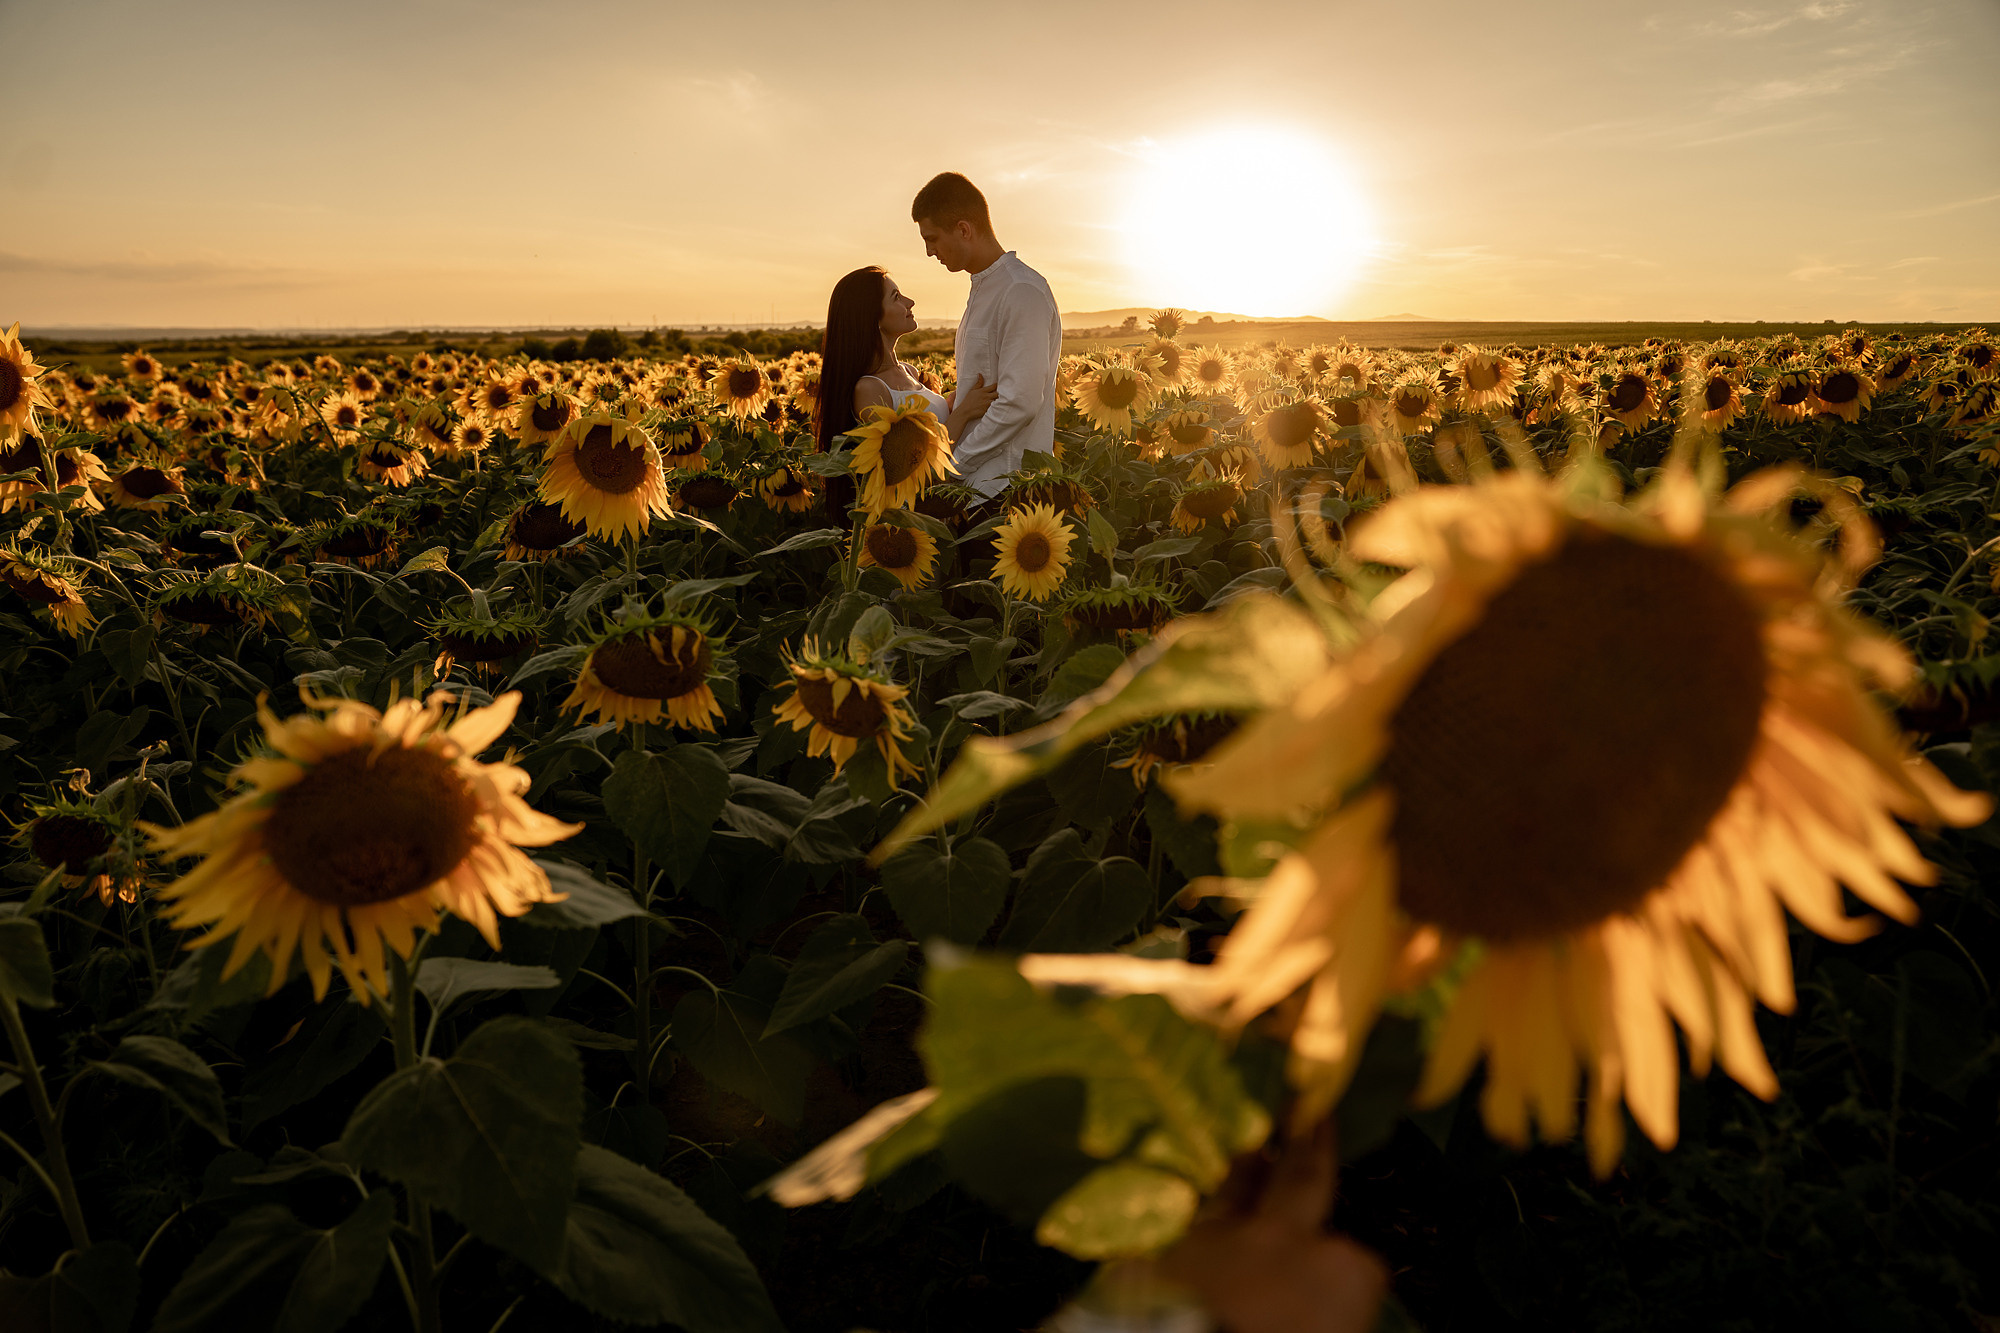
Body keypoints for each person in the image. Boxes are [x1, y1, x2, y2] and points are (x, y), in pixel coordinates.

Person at [911, 172, 1062, 501]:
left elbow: (1018, 402)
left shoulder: (1020, 290)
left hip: (1006, 491)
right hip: (976, 489)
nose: (928, 251)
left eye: (932, 238)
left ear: (964, 230)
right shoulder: (986, 288)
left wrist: (954, 465)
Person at [814, 264, 996, 456]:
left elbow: (930, 433)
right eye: (896, 297)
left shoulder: (910, 372)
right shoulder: (869, 389)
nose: (910, 301)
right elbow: (907, 466)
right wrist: (964, 413)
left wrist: (949, 407)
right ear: (872, 316)